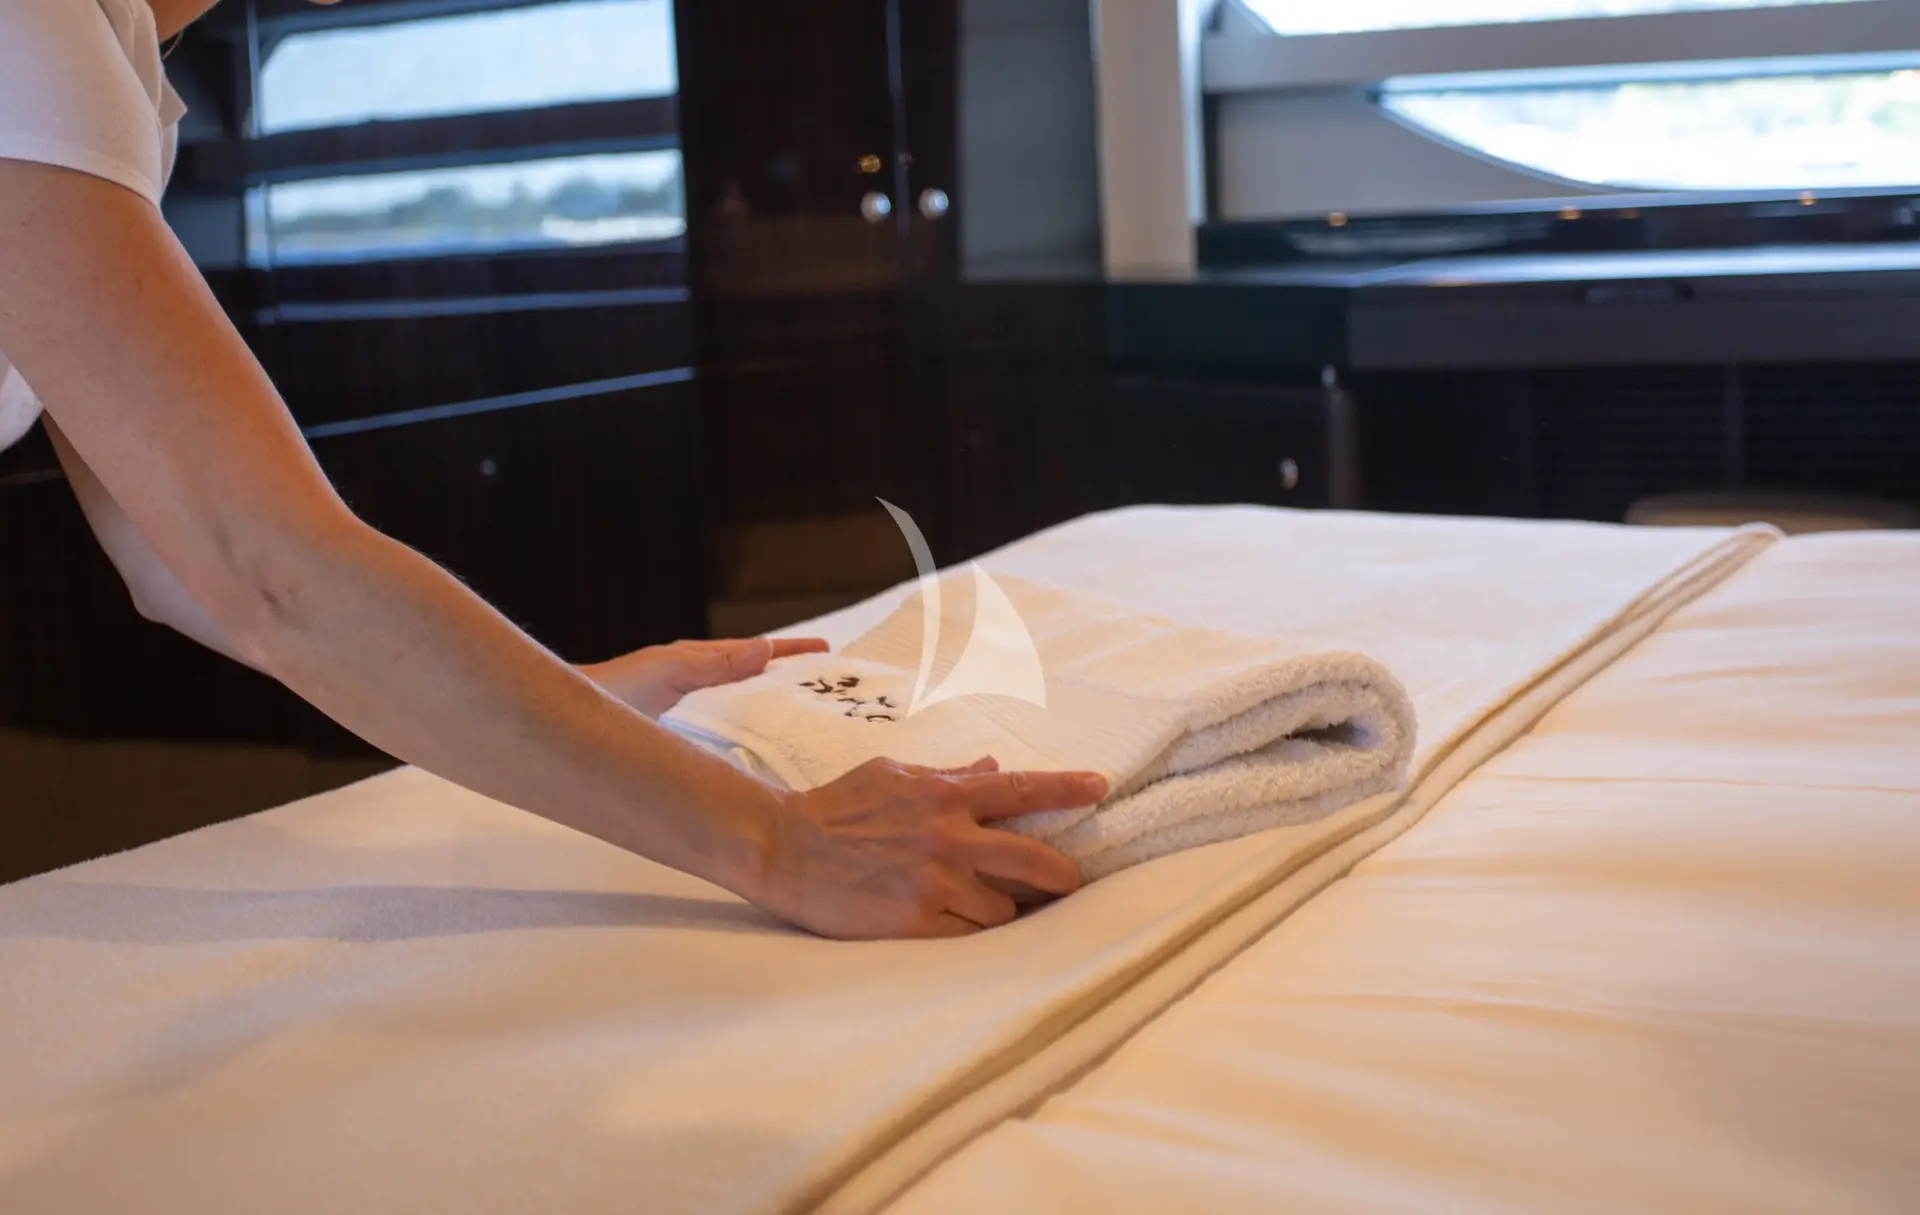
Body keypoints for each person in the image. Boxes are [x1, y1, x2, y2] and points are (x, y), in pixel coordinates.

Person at [0, 0, 1105, 938]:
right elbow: (265, 567)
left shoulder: (108, 64)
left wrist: (571, 702)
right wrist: (781, 841)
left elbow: (173, 559)